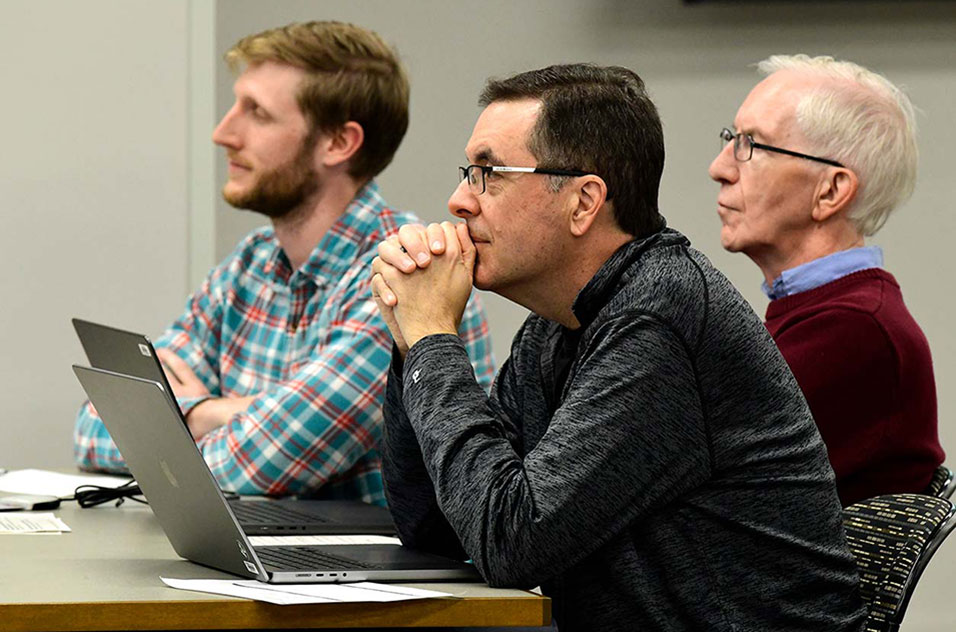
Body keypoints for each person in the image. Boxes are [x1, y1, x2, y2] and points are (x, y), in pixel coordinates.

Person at [370, 64, 865, 631]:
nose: (459, 200)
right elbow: (434, 524)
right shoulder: (560, 324)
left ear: (584, 202)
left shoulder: (657, 318)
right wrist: (412, 345)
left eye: (488, 173)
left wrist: (434, 337)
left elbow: (512, 542)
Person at [73, 21, 494, 505]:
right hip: (254, 568)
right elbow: (95, 425)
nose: (223, 133)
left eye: (257, 113)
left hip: (371, 577)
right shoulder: (249, 265)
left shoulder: (404, 272)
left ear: (338, 143)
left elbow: (255, 465)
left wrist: (181, 416)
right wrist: (217, 413)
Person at [708, 54, 944, 507]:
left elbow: (667, 472)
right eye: (730, 138)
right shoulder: (831, 315)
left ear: (831, 190)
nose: (720, 167)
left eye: (752, 145)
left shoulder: (854, 332)